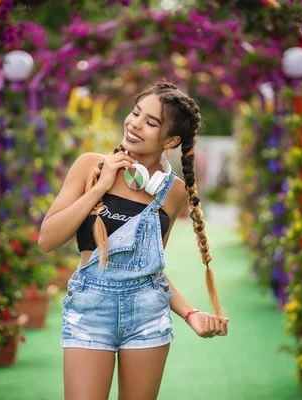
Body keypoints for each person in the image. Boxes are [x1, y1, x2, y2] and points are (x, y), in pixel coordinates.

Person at [38, 81, 229, 400]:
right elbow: (47, 239)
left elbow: (150, 268)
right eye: (136, 113)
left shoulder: (173, 191)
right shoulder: (90, 165)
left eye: (151, 122)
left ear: (170, 140)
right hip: (90, 311)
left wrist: (191, 314)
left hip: (147, 315)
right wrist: (100, 187)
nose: (135, 124)